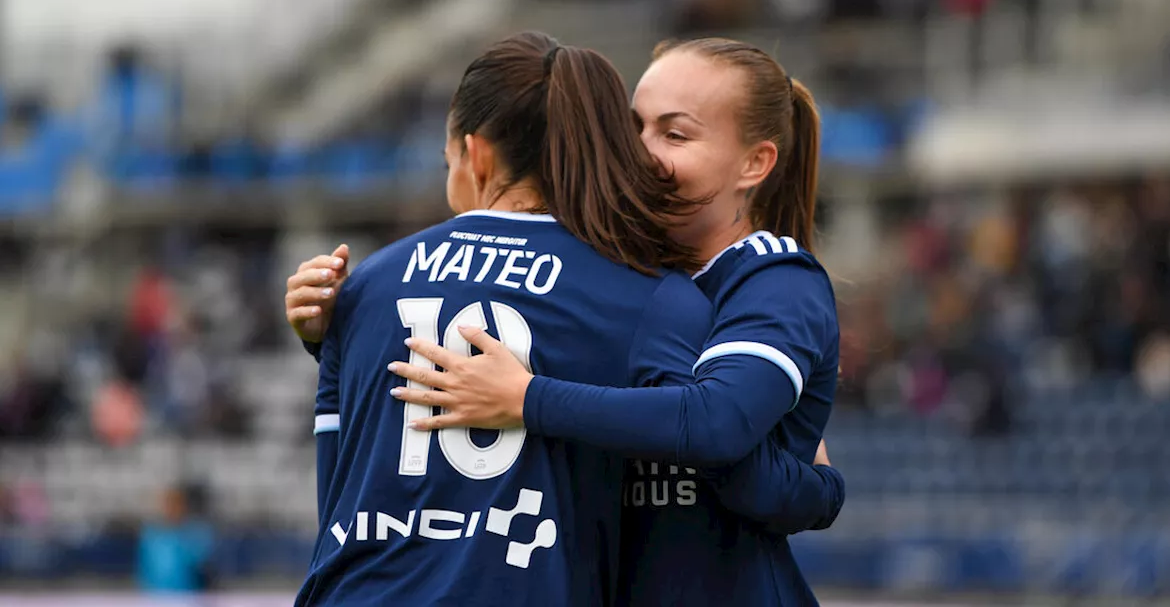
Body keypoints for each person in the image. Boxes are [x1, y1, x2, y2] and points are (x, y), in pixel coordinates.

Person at [288, 38, 844, 605]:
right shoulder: (621, 280)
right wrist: (336, 334)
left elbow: (719, 429)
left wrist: (529, 397)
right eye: (633, 130)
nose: (644, 154)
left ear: (756, 163)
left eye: (674, 134)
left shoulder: (772, 280)